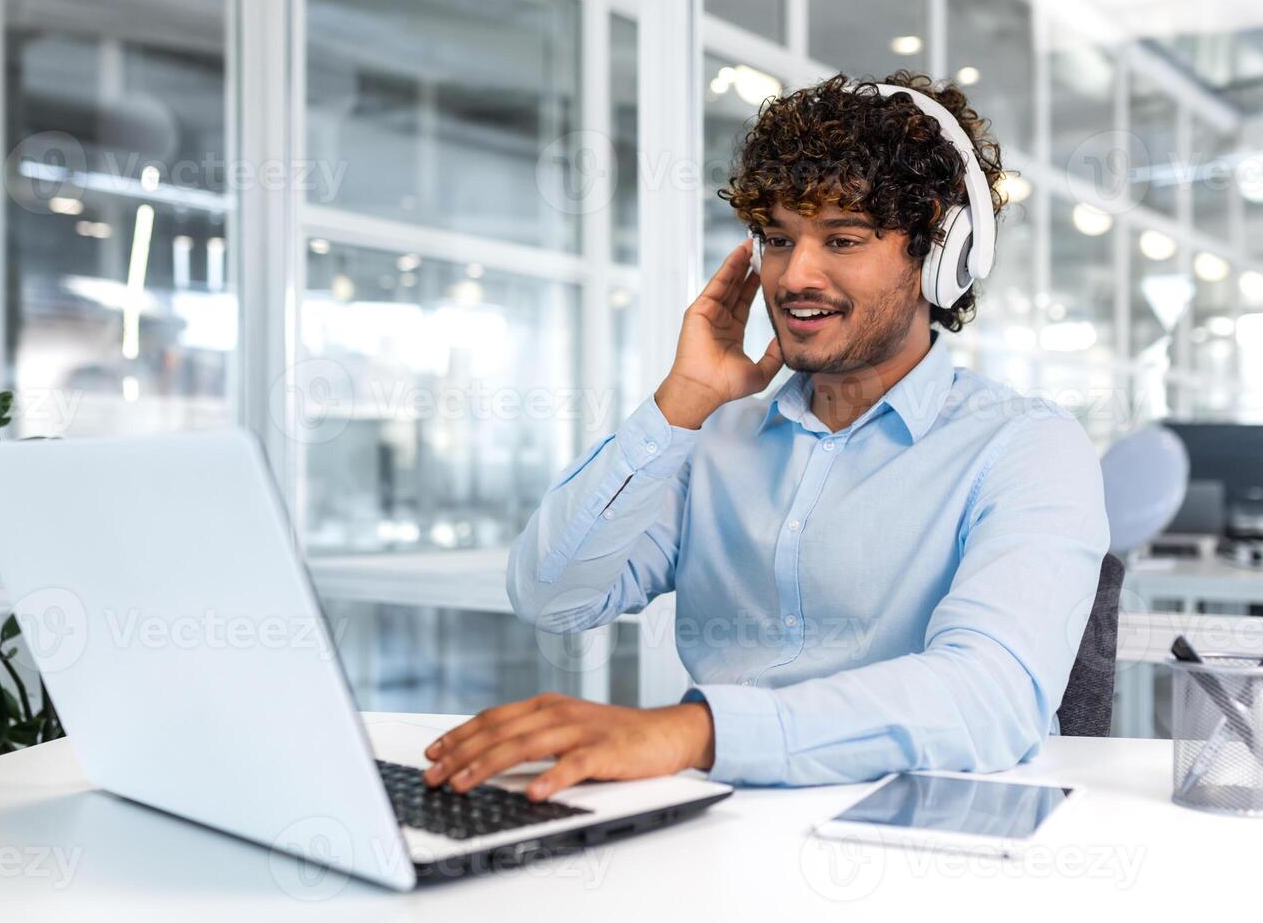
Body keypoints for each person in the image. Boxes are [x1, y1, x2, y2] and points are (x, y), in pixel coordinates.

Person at [423, 72, 1109, 801]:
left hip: (925, 831)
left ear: (940, 256)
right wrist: (681, 403)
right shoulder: (715, 437)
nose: (794, 276)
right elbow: (551, 596)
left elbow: (989, 697)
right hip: (723, 822)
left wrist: (695, 733)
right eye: (778, 239)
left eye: (841, 240)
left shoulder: (1026, 447)